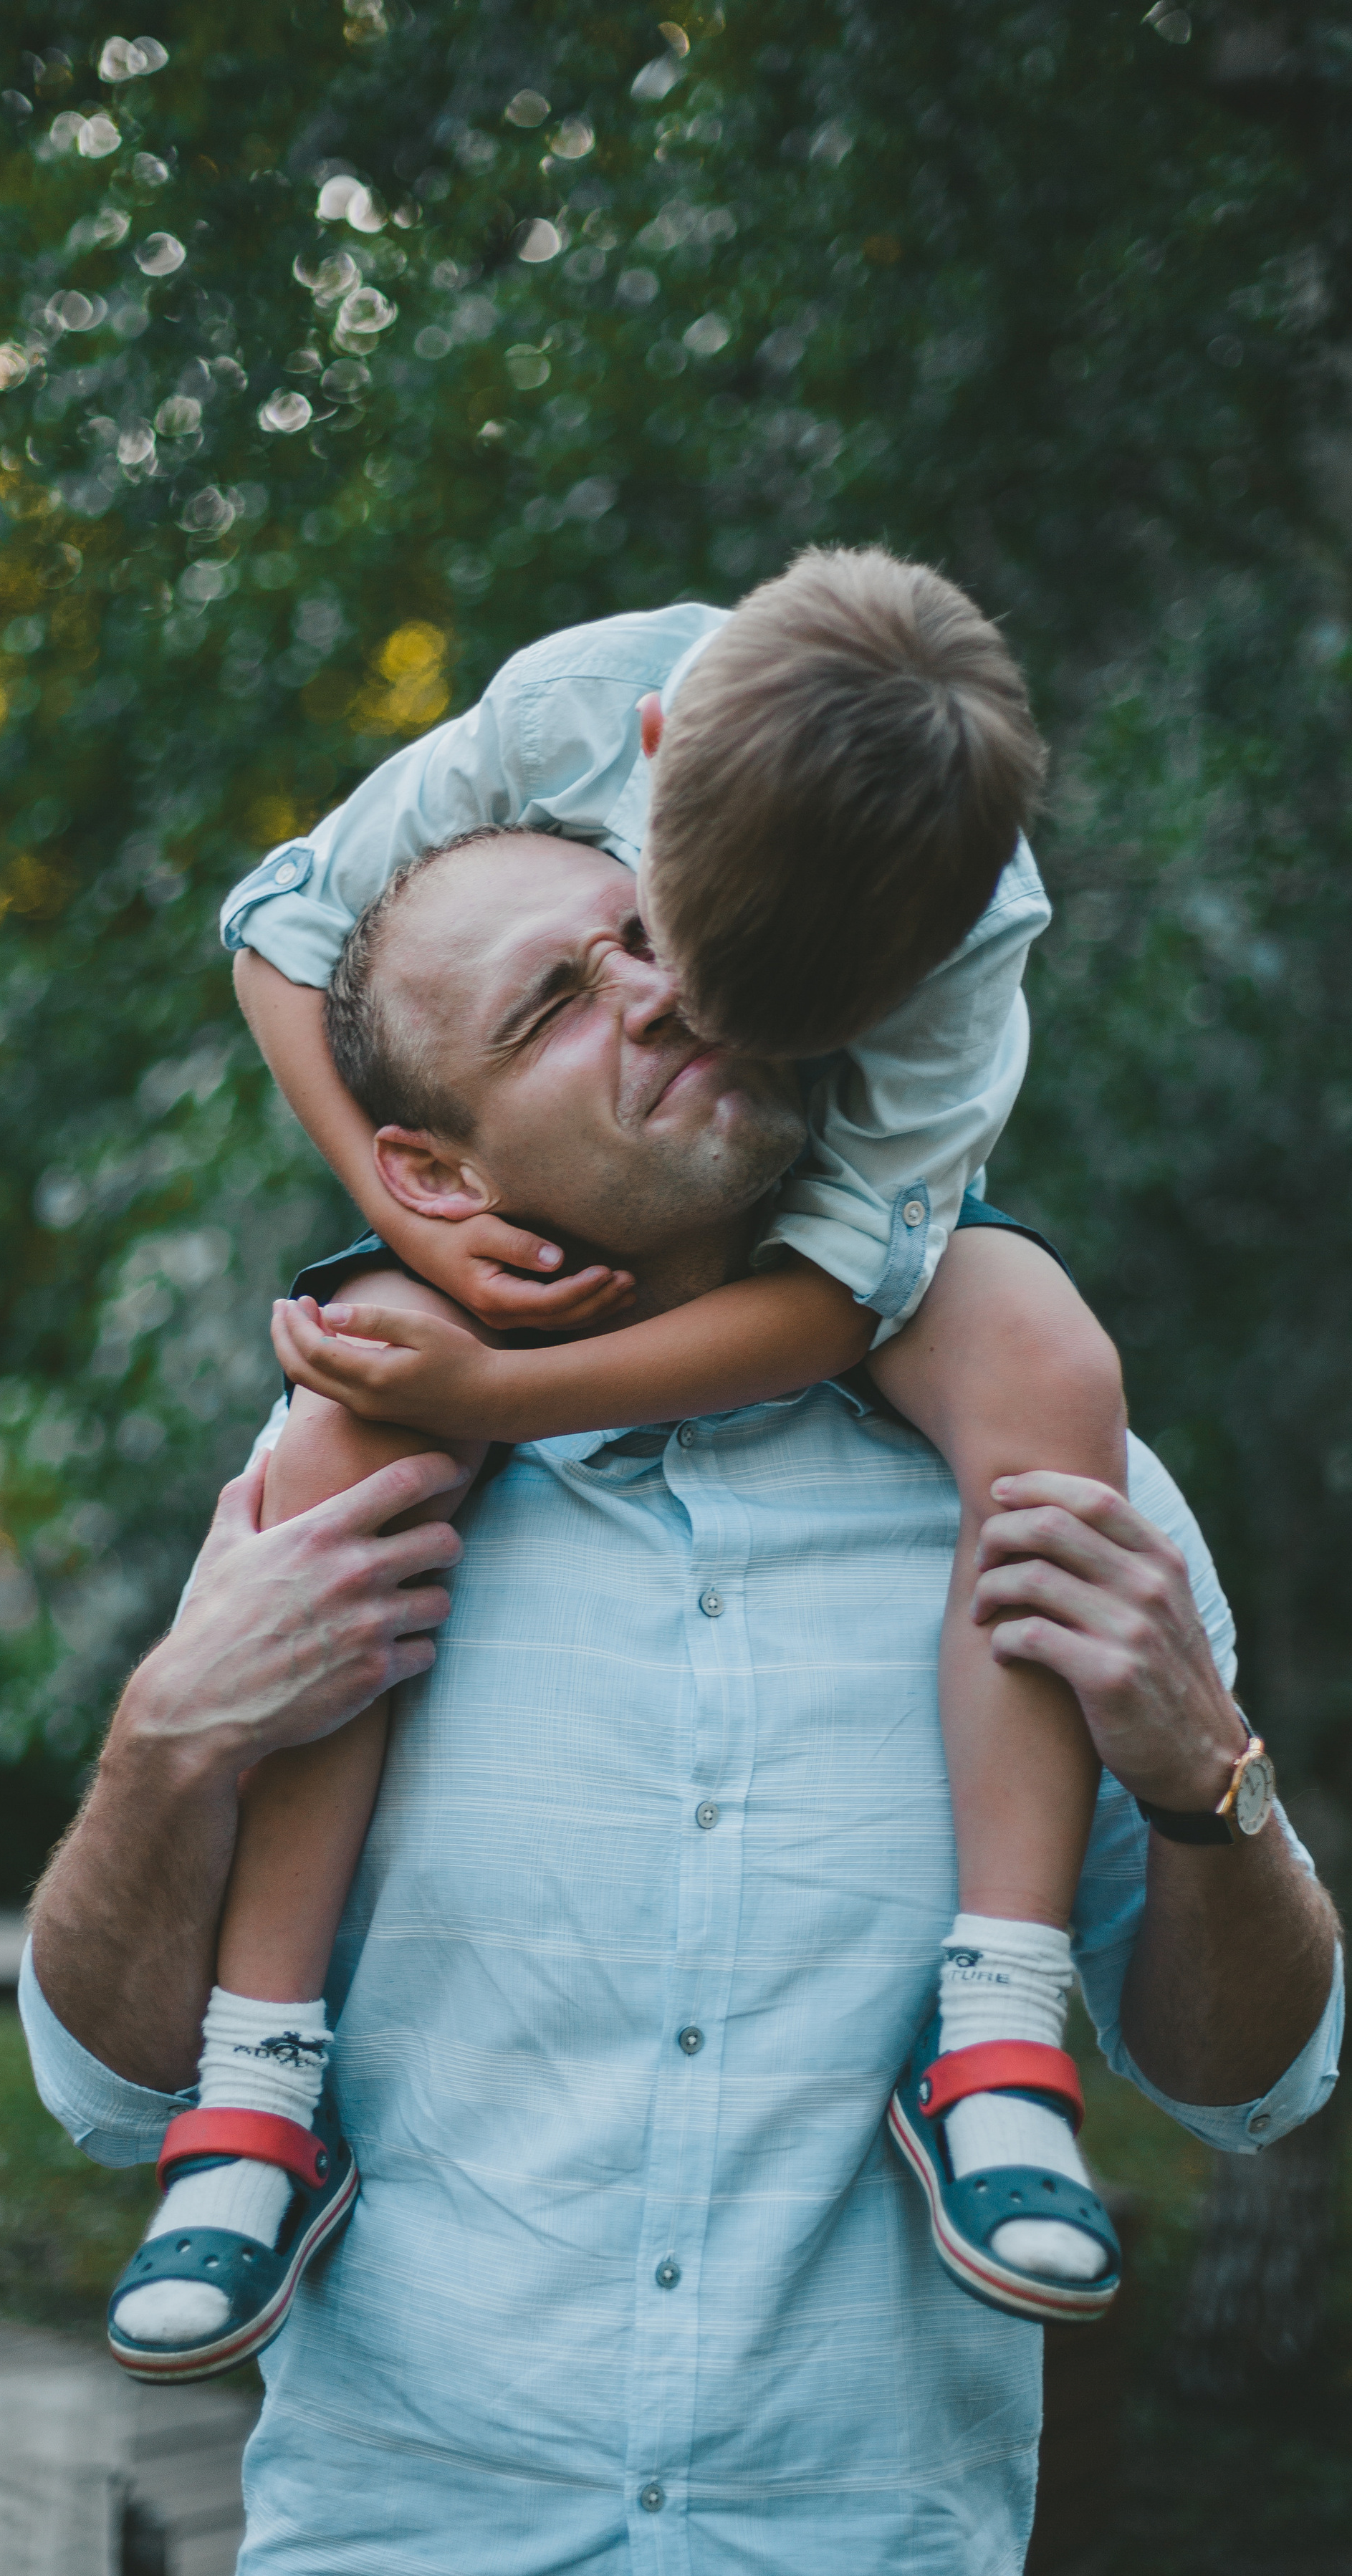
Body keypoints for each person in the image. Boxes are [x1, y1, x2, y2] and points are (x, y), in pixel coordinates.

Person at [27, 827, 1342, 2576]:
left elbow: (1250, 2090)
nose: (651, 988)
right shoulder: (341, 1498)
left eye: (651, 939)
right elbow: (95, 2089)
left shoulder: (1062, 1491)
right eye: (554, 1001)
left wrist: (1207, 1781)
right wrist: (167, 1741)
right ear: (428, 1171)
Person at [108, 551, 1141, 2373]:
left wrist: (498, 1395)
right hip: (551, 1202)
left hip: (847, 1229)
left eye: (766, 1018)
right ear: (647, 763)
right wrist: (401, 1207)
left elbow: (839, 1295)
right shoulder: (571, 707)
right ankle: (258, 2082)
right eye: (662, 955)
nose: (676, 1011)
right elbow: (281, 929)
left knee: (1048, 1364)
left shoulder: (967, 940)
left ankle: (995, 2019)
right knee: (352, 1418)